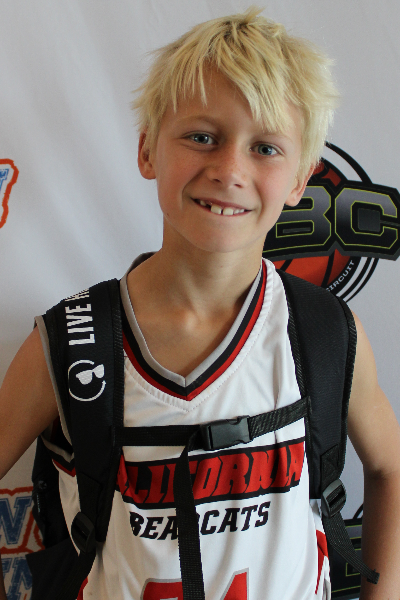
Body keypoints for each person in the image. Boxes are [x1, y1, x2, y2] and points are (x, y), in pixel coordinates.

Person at [1, 7, 400, 600]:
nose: (229, 169)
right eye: (202, 137)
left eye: (265, 147)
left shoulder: (323, 332)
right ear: (147, 151)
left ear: (300, 180)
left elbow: (389, 469)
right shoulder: (69, 343)